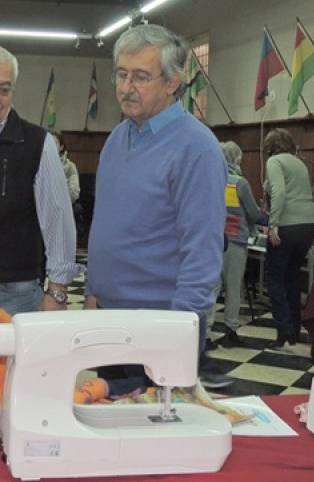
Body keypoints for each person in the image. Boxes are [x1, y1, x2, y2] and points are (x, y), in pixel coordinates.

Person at [83, 24, 231, 392]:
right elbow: (106, 224)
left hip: (160, 325)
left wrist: (178, 331)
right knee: (110, 416)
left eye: (140, 77)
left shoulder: (196, 148)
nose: (126, 87)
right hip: (108, 317)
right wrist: (91, 292)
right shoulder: (117, 138)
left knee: (152, 425)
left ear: (172, 82)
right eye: (121, 74)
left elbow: (202, 250)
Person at [0, 44, 82, 316]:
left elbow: (57, 218)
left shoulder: (37, 143)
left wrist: (57, 291)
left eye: (4, 89)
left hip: (14, 294)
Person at [262, 128, 314, 350]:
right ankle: (295, 328)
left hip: (287, 224)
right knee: (292, 277)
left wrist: (273, 224)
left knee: (274, 279)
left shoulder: (274, 161)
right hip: (309, 224)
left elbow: (279, 192)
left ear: (270, 146)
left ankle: (283, 330)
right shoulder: (299, 163)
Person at [214, 141, 262, 348]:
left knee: (211, 288)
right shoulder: (239, 183)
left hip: (212, 240)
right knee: (233, 288)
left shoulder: (211, 180)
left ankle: (204, 334)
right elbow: (253, 213)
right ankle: (230, 330)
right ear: (235, 158)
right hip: (235, 241)